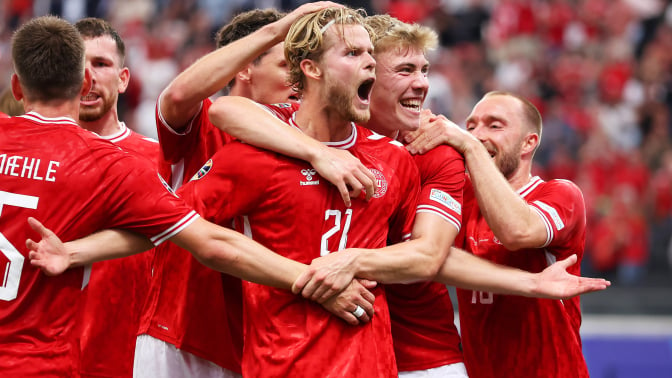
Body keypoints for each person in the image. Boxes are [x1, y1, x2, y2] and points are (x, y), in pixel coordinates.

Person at [221, 14, 609, 377]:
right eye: (405, 70)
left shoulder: (434, 154)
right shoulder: (298, 134)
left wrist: (350, 263)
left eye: (424, 70)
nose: (422, 84)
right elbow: (226, 110)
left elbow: (430, 255)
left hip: (423, 358)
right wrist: (317, 152)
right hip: (318, 350)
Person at [4, 15, 366, 377]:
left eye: (102, 63)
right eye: (285, 64)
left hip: (265, 338)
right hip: (177, 337)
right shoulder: (147, 153)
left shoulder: (337, 151)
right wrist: (317, 283)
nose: (295, 80)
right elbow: (209, 238)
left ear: (18, 87)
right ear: (243, 68)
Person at [404, 91, 592, 377]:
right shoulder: (460, 198)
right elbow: (423, 251)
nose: (478, 135)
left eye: (494, 126)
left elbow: (517, 230)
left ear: (529, 142)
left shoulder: (561, 194)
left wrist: (468, 144)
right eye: (471, 126)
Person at [73, 17, 160, 378]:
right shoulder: (31, 158)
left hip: (128, 359)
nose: (87, 77)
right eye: (77, 64)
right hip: (43, 357)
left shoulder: (160, 161)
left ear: (123, 79)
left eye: (101, 64)